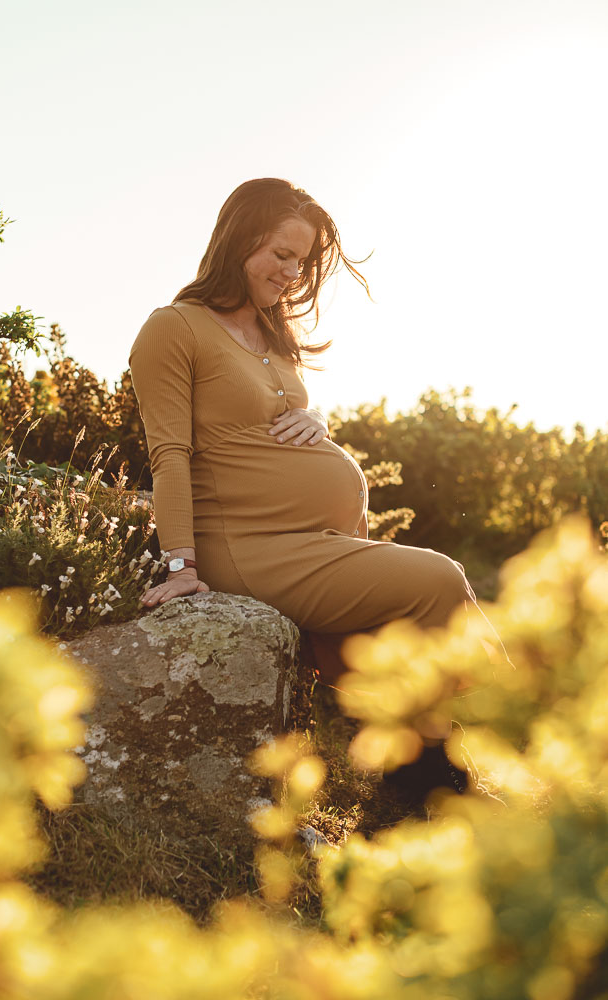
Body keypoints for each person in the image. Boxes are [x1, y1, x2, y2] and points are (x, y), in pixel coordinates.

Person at [128, 177, 506, 801]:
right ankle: (475, 749)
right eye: (281, 255)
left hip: (311, 538)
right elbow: (170, 453)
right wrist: (181, 565)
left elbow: (265, 420)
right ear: (239, 238)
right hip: (248, 546)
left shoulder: (276, 337)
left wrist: (317, 423)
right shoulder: (174, 328)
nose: (292, 274)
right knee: (438, 578)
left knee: (399, 620)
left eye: (301, 262)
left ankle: (424, 776)